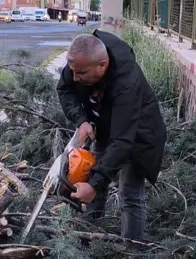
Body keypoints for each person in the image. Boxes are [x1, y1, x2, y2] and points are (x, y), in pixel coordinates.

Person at [56, 31, 166, 240]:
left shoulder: (126, 82)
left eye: (81, 74)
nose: (75, 78)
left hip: (139, 135)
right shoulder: (80, 64)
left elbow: (123, 142)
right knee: (92, 173)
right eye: (73, 71)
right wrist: (82, 120)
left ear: (103, 65)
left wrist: (93, 185)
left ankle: (131, 248)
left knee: (129, 192)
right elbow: (64, 89)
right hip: (105, 125)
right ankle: (91, 234)